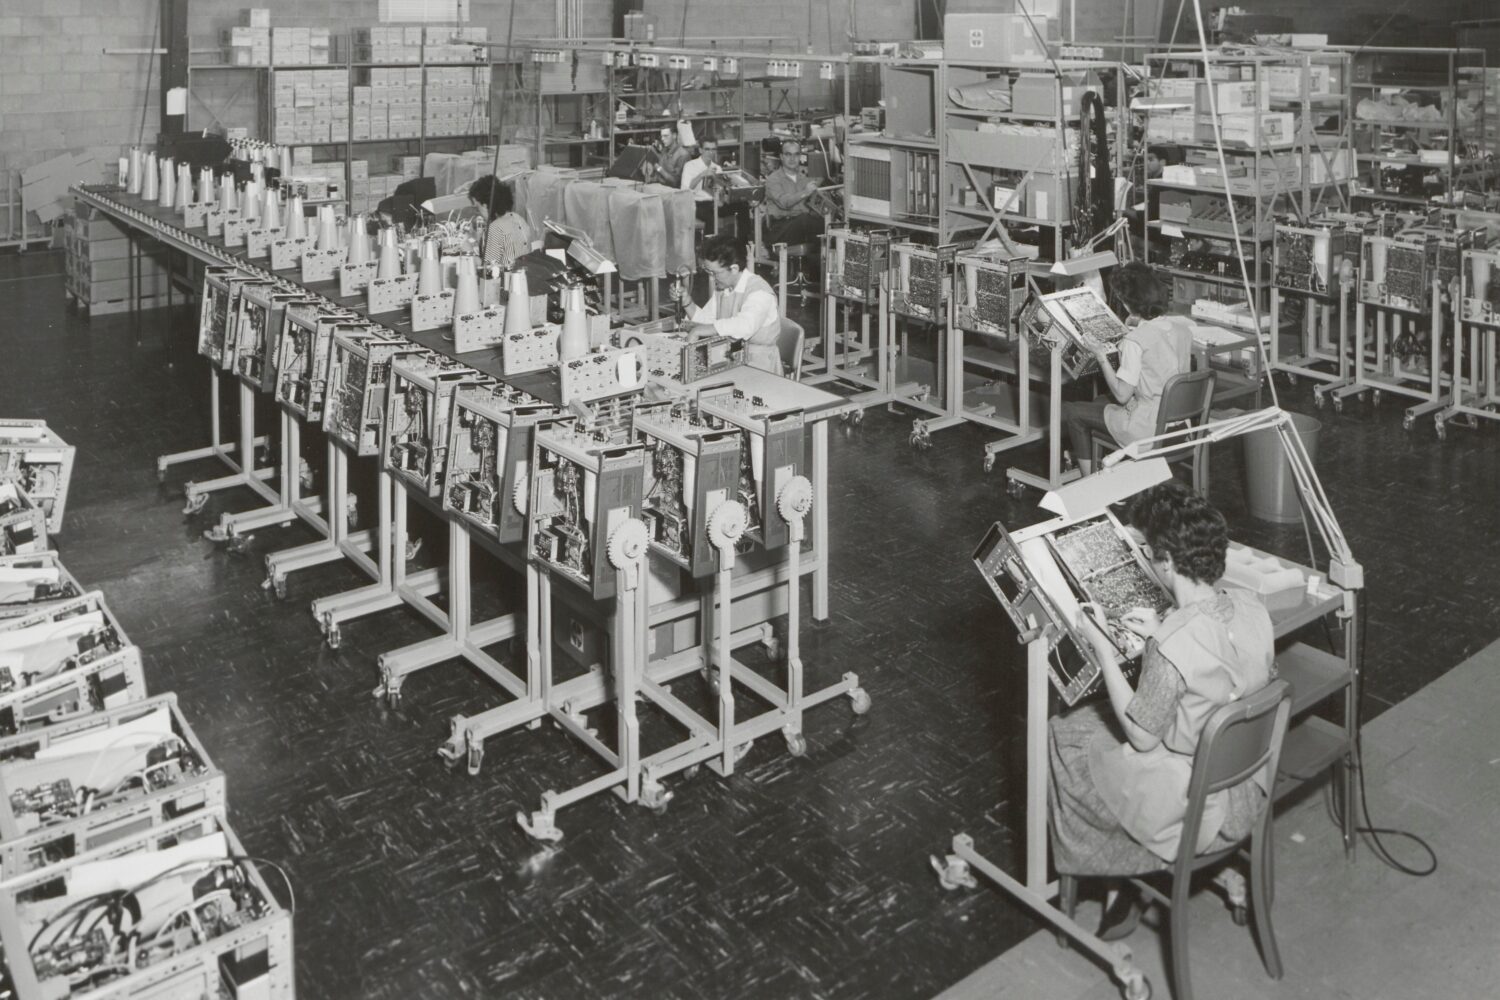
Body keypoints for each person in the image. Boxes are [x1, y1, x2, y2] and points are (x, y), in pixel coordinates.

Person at [1049, 481, 1276, 939]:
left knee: (1067, 733)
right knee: (1103, 742)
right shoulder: (1254, 608)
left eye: (1151, 554)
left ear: (1167, 562)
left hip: (1200, 811)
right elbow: (1216, 664)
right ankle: (1147, 875)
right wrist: (1161, 627)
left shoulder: (1173, 645)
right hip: (1251, 790)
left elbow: (1142, 735)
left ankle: (1124, 878)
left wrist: (1102, 648)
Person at [1060, 262, 1193, 474]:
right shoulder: (1183, 331)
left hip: (1150, 431)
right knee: (1099, 401)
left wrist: (1101, 355)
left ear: (1129, 305)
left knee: (1073, 412)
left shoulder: (1135, 341)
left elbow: (1122, 396)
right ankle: (1112, 467)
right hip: (1181, 426)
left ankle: (1089, 483)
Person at [669, 235, 783, 375]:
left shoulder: (760, 292)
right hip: (730, 360)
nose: (712, 277)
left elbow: (744, 325)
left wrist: (698, 331)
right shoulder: (724, 288)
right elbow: (707, 322)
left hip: (759, 366)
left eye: (715, 272)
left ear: (734, 269)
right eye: (708, 271)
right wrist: (687, 302)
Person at [763, 140, 826, 245]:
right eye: (788, 154)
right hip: (781, 229)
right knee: (805, 220)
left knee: (829, 225)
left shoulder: (804, 178)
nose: (792, 159)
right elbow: (784, 202)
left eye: (796, 154)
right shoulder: (773, 180)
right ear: (781, 157)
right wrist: (805, 192)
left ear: (800, 157)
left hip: (801, 227)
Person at [468, 174, 531, 270]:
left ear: (485, 206)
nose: (478, 213)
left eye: (477, 207)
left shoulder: (495, 228)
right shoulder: (518, 218)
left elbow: (488, 271)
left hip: (506, 281)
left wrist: (471, 255)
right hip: (523, 277)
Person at [680, 139, 722, 228]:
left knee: (742, 206)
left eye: (713, 149)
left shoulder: (717, 168)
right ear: (700, 150)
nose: (710, 152)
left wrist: (720, 197)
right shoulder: (690, 165)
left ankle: (743, 240)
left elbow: (721, 191)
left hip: (714, 202)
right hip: (697, 204)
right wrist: (702, 175)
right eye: (707, 149)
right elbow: (685, 190)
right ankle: (710, 241)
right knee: (710, 216)